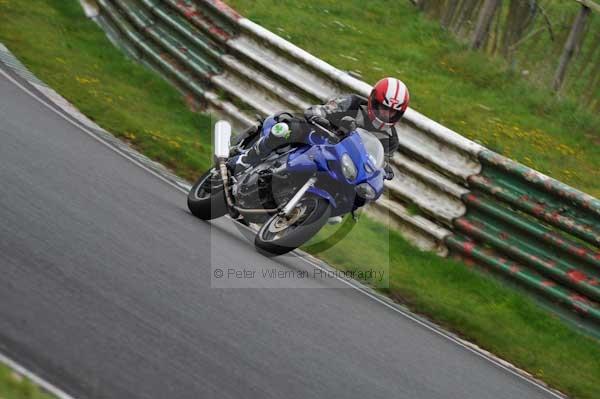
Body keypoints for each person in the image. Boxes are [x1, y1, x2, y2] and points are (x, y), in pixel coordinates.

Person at [228, 77, 410, 180]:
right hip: (319, 136)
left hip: (340, 161)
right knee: (284, 128)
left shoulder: (390, 139)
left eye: (392, 112)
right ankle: (243, 160)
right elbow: (323, 109)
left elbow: (381, 161)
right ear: (372, 100)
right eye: (382, 107)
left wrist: (384, 170)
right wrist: (318, 115)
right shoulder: (353, 103)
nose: (385, 114)